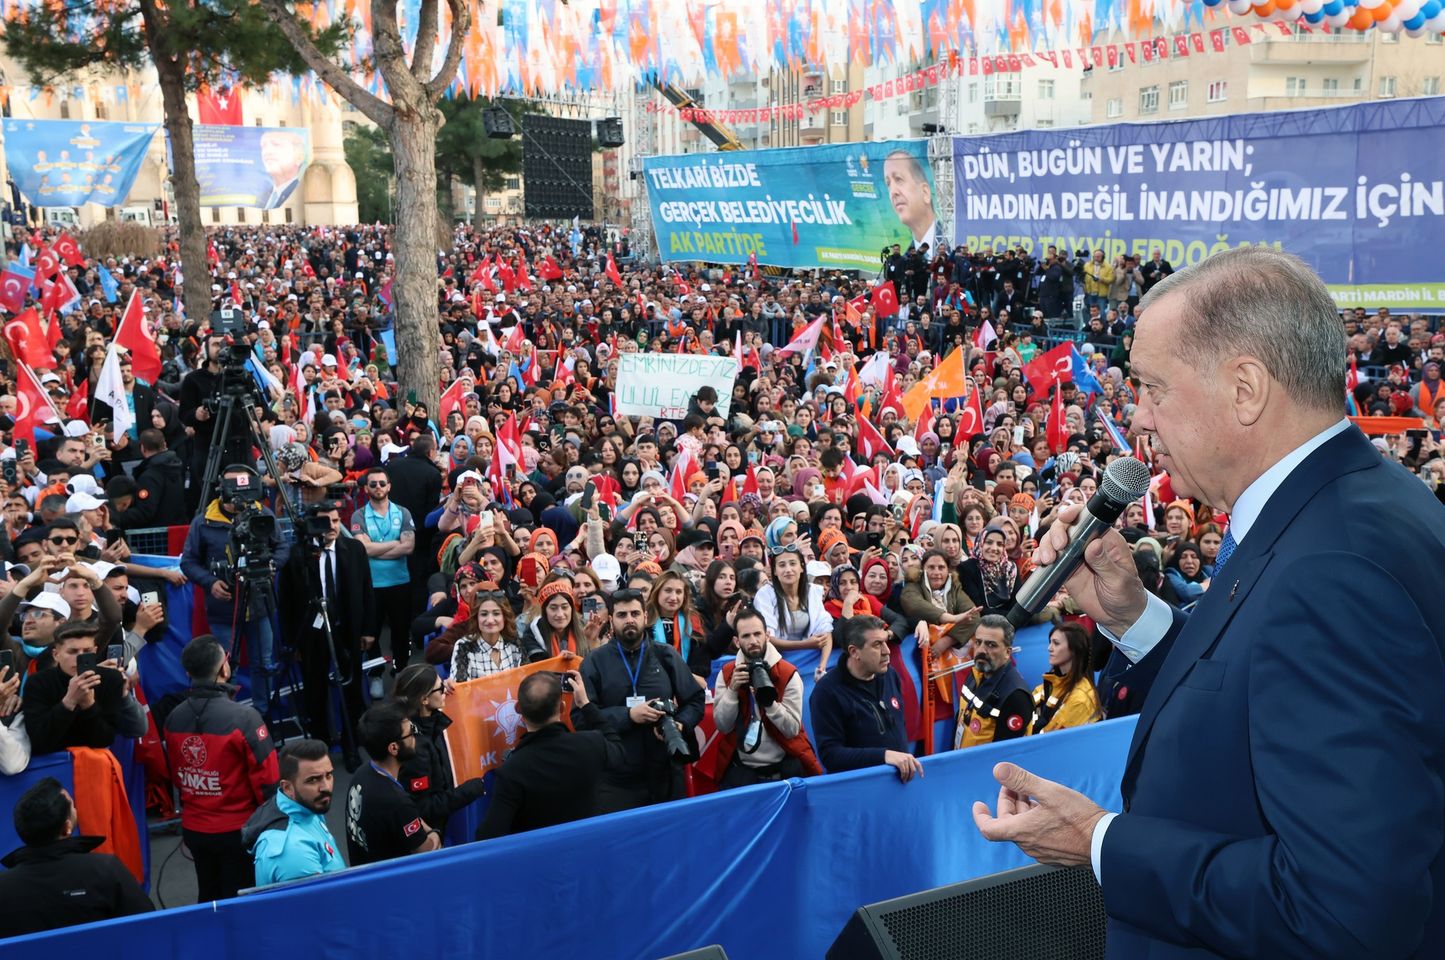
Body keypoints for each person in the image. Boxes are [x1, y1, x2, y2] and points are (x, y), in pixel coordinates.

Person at [971, 247, 1445, 958]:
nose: (1141, 420)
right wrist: (1134, 617)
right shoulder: (1350, 502)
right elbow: (1260, 688)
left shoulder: (1332, 568)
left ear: (1244, 389)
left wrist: (1101, 841)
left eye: (1153, 388)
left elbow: (1343, 910)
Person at [163, 635, 279, 901]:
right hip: (238, 831)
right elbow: (268, 781)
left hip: (195, 830)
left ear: (188, 672)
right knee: (243, 899)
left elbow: (175, 775)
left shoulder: (173, 717)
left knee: (209, 897)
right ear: (224, 668)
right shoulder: (245, 718)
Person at [573, 587, 705, 813]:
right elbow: (581, 718)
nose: (629, 620)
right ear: (611, 620)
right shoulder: (594, 662)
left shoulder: (666, 655)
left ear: (645, 616)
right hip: (617, 779)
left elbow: (695, 699)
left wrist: (681, 723)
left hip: (665, 772)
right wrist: (628, 716)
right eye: (622, 615)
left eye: (635, 613)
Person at [180, 464, 292, 711]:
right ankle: (225, 714)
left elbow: (282, 547)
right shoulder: (204, 522)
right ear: (221, 488)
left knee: (264, 663)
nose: (238, 492)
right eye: (232, 485)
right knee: (224, 667)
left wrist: (271, 565)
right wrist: (210, 583)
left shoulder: (262, 515)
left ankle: (262, 714)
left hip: (260, 603)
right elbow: (188, 561)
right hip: (223, 609)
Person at [278, 502, 374, 765]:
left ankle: (352, 745)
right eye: (324, 522)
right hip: (311, 635)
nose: (331, 527)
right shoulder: (297, 555)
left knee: (352, 690)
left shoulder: (353, 549)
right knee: (315, 692)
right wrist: (292, 641)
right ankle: (321, 747)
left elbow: (366, 590)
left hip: (348, 630)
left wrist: (368, 630)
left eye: (334, 521)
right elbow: (286, 603)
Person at [476, 669, 624, 839]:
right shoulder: (591, 744)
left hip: (539, 860)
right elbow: (618, 752)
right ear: (562, 707)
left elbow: (489, 834)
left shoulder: (512, 770)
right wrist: (585, 704)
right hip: (588, 850)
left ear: (518, 709)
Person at [0, 777, 153, 937]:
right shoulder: (104, 869)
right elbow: (147, 926)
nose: (77, 810)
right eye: (73, 806)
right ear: (67, 827)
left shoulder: (3, 887)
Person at [712, 605, 822, 788]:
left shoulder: (787, 673)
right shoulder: (727, 673)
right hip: (742, 771)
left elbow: (792, 730)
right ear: (736, 642)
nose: (753, 640)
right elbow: (723, 726)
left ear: (767, 635)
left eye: (757, 634)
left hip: (782, 769)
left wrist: (770, 703)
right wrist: (732, 690)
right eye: (746, 636)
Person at [808, 615, 921, 782]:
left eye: (885, 642)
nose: (887, 651)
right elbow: (831, 755)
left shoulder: (890, 675)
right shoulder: (826, 692)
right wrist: (884, 756)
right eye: (877, 645)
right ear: (854, 652)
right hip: (860, 793)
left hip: (899, 786)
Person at [23, 620, 146, 755]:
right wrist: (69, 702)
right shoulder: (37, 683)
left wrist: (89, 705)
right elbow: (39, 741)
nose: (80, 657)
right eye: (72, 652)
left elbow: (105, 740)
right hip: (51, 764)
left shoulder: (110, 679)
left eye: (87, 651)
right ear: (56, 655)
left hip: (96, 763)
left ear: (95, 651)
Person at [392, 664, 486, 835]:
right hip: (432, 834)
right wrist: (468, 792)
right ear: (424, 700)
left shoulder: (427, 724)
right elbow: (423, 809)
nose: (444, 689)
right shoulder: (415, 750)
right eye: (440, 687)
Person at [345, 703, 442, 866]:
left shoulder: (361, 773)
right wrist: (434, 835)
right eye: (411, 732)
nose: (415, 736)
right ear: (394, 748)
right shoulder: (396, 802)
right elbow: (424, 850)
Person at [242, 739, 346, 885]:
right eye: (313, 780)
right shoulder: (293, 851)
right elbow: (320, 906)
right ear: (287, 788)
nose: (326, 787)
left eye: (328, 775)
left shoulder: (306, 804)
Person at [350, 465, 416, 692]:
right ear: (366, 488)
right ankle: (376, 674)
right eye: (373, 484)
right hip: (372, 585)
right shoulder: (359, 515)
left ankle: (401, 671)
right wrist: (394, 544)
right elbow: (363, 549)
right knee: (372, 633)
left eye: (381, 483)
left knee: (400, 631)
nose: (378, 487)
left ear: (389, 486)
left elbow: (409, 546)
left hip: (400, 582)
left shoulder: (403, 512)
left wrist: (375, 548)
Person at [953, 614, 1032, 750]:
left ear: (1007, 652)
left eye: (991, 645)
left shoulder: (1016, 696)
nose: (982, 650)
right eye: (978, 642)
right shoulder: (975, 673)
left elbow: (1006, 755)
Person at [108, 428, 187, 530]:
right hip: (175, 529)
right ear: (164, 445)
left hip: (157, 534)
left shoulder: (150, 476)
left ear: (143, 448)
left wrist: (115, 516)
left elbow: (144, 512)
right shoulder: (174, 466)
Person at [1030, 622, 1100, 735]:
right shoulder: (1050, 685)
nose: (1049, 648)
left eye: (1056, 643)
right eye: (1050, 642)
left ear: (1074, 649)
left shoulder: (1080, 698)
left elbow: (1047, 739)